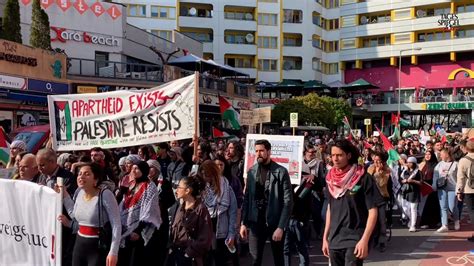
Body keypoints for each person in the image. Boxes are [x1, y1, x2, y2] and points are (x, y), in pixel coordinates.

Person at [321, 139, 383, 266]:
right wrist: (325, 237)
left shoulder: (363, 178)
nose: (335, 159)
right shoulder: (330, 180)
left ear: (349, 156)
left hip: (355, 238)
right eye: (333, 155)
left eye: (339, 155)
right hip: (334, 239)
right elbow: (329, 208)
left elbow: (373, 210)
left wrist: (365, 239)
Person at [240, 139, 294, 266]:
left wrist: (281, 227)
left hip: (274, 222)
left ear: (269, 152)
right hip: (255, 222)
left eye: (262, 151)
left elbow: (288, 201)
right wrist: (243, 223)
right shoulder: (251, 171)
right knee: (255, 259)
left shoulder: (281, 172)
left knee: (278, 259)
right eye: (256, 151)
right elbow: (247, 199)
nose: (258, 153)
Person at [58, 162, 121, 266]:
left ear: (95, 180)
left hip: (98, 248)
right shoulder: (79, 192)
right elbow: (75, 215)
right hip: (79, 246)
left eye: (86, 174)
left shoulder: (105, 194)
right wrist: (64, 194)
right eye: (79, 173)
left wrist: (113, 252)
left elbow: (116, 224)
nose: (81, 176)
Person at [118, 161, 162, 266]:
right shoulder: (130, 183)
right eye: (132, 168)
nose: (133, 170)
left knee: (135, 259)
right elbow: (121, 204)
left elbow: (150, 210)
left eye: (136, 168)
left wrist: (138, 231)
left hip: (138, 231)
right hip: (124, 227)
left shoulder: (150, 187)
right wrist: (122, 190)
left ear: (144, 171)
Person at [168, 175, 213, 266]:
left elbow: (205, 238)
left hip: (190, 257)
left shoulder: (201, 210)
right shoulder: (179, 207)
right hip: (175, 254)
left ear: (188, 190)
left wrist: (188, 253)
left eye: (179, 187)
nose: (176, 190)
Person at [200, 160, 238, 265]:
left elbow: (233, 212)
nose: (204, 177)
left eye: (206, 174)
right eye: (202, 174)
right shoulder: (201, 188)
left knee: (219, 260)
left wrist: (231, 234)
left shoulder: (226, 188)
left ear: (213, 174)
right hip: (204, 230)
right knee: (205, 260)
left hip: (220, 230)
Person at [148, 159, 175, 266]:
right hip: (147, 222)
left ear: (157, 169)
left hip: (161, 219)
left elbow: (171, 200)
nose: (149, 170)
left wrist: (160, 201)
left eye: (151, 167)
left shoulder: (164, 183)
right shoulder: (145, 183)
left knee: (160, 249)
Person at [367, 151, 391, 252]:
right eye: (375, 160)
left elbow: (382, 184)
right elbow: (367, 181)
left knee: (382, 222)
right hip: (371, 199)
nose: (376, 162)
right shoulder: (370, 168)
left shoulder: (386, 170)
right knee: (372, 222)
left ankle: (382, 242)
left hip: (381, 198)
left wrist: (379, 173)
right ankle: (374, 240)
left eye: (378, 160)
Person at [302, 143, 326, 239]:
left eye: (314, 152)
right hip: (302, 191)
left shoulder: (319, 163)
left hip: (314, 192)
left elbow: (322, 180)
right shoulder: (300, 162)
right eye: (311, 152)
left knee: (316, 214)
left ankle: (318, 232)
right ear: (305, 153)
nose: (313, 154)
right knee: (305, 214)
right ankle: (306, 234)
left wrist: (314, 178)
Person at [432, 148, 459, 232]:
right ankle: (444, 225)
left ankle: (456, 220)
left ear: (447, 154)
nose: (440, 156)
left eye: (442, 154)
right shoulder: (439, 164)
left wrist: (459, 188)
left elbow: (459, 177)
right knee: (443, 207)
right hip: (442, 187)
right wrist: (434, 185)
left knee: (452, 206)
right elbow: (436, 175)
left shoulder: (456, 164)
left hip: (452, 188)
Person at [456, 139, 474, 242]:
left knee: (472, 211)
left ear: (466, 148)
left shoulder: (463, 160)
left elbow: (461, 178)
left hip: (469, 189)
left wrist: (459, 191)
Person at [419, 149, 440, 229]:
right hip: (424, 186)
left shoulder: (436, 165)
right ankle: (425, 222)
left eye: (429, 154)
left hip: (433, 187)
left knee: (432, 205)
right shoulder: (423, 164)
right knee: (425, 205)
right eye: (426, 154)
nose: (427, 156)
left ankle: (434, 222)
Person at [400, 157, 422, 232]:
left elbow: (420, 183)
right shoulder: (405, 171)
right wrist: (404, 181)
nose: (408, 164)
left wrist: (412, 181)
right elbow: (401, 180)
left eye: (410, 162)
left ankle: (413, 225)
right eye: (408, 162)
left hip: (414, 192)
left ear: (414, 163)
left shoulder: (418, 172)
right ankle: (411, 219)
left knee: (413, 209)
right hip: (406, 191)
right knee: (405, 208)